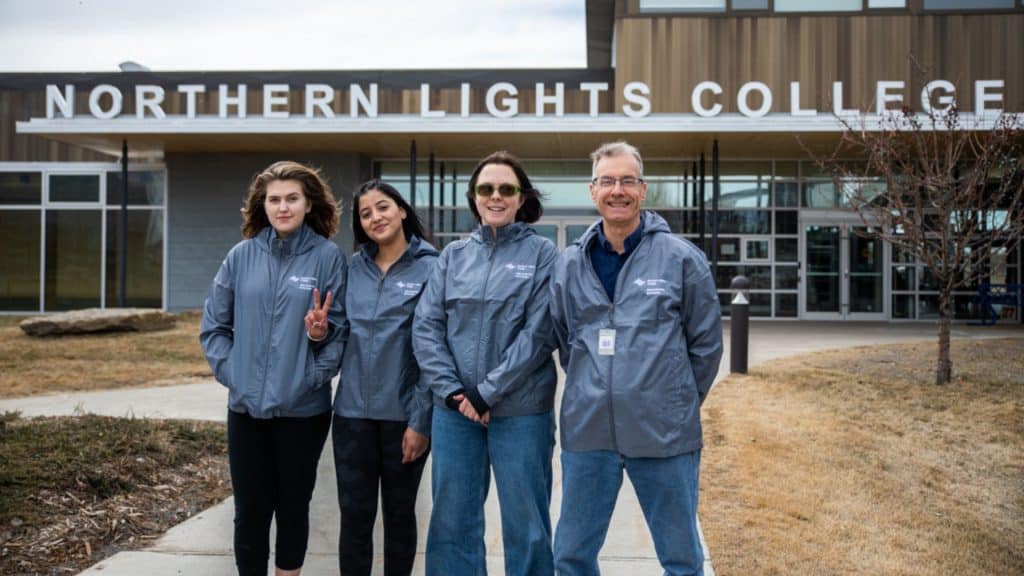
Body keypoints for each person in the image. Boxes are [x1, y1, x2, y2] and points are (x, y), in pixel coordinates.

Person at [550, 141, 723, 576]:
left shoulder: (682, 259)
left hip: (663, 433)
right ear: (593, 191)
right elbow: (565, 339)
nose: (617, 190)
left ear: (643, 190)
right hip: (588, 432)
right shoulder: (571, 263)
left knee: (681, 559)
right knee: (570, 557)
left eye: (628, 180)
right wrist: (597, 386)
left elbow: (705, 345)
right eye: (607, 181)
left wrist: (672, 399)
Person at [412, 151, 559, 576]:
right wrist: (457, 393)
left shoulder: (543, 254)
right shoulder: (452, 256)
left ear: (521, 197)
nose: (496, 196)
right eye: (486, 189)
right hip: (455, 414)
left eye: (506, 189)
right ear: (474, 197)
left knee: (527, 525)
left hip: (522, 412)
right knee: (452, 524)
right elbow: (426, 328)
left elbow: (540, 332)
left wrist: (487, 391)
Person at [199, 160, 345, 576]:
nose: (283, 207)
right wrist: (236, 375)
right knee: (250, 510)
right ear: (262, 206)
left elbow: (340, 333)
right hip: (246, 409)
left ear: (307, 203)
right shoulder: (240, 256)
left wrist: (311, 367)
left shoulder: (327, 258)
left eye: (292, 199)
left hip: (304, 410)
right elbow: (214, 327)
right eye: (274, 200)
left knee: (293, 505)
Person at [312, 179, 436, 576]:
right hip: (351, 417)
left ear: (401, 211)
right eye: (366, 214)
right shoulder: (354, 267)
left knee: (400, 517)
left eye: (382, 207)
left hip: (403, 417)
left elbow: (434, 351)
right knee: (355, 517)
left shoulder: (434, 267)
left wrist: (421, 421)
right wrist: (319, 332)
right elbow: (340, 329)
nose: (375, 218)